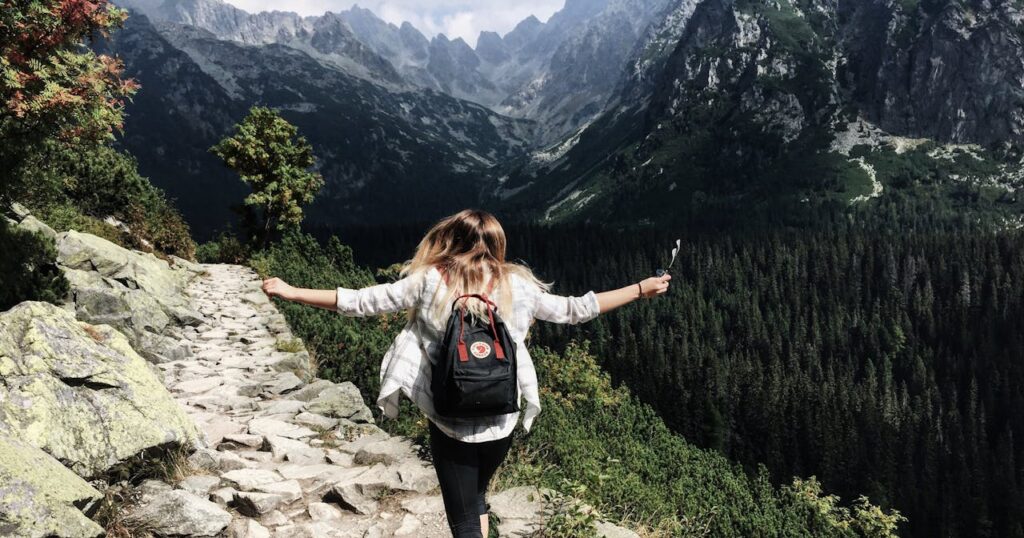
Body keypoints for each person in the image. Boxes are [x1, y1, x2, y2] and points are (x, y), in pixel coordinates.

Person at [261, 209, 671, 537]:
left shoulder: (428, 281)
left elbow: (360, 302)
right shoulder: (519, 285)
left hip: (450, 417)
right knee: (476, 497)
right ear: (497, 246)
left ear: (451, 241)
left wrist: (293, 291)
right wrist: (640, 288)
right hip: (502, 415)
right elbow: (576, 310)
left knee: (462, 519)